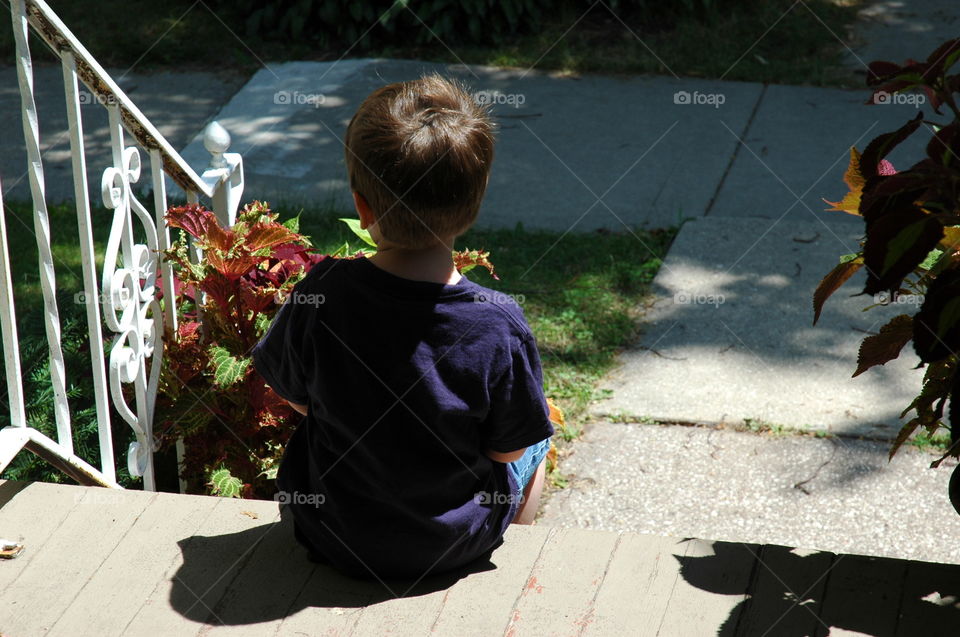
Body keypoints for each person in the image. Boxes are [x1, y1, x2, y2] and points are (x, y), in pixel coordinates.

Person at [252, 74, 554, 580]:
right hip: (447, 546)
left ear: (362, 206)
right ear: (473, 207)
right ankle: (502, 549)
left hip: (332, 532)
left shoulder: (323, 290)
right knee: (539, 438)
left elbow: (296, 395)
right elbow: (508, 448)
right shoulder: (498, 324)